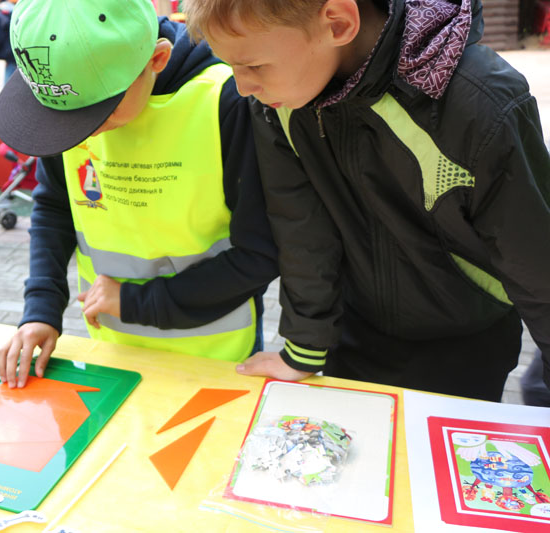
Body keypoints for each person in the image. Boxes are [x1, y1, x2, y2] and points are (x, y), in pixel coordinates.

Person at [184, 0, 550, 401]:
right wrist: (303, 350)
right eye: (231, 66)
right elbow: (301, 226)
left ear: (338, 24)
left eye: (253, 66)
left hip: (465, 340)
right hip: (354, 330)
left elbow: (536, 267)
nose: (242, 87)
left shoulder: (478, 104)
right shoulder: (278, 102)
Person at [0, 0, 279, 388]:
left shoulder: (226, 100)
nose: (81, 133)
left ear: (157, 59)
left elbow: (261, 253)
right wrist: (41, 309)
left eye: (99, 113)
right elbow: (54, 206)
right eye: (60, 117)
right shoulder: (70, 105)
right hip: (113, 352)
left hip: (217, 359)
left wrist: (133, 302)